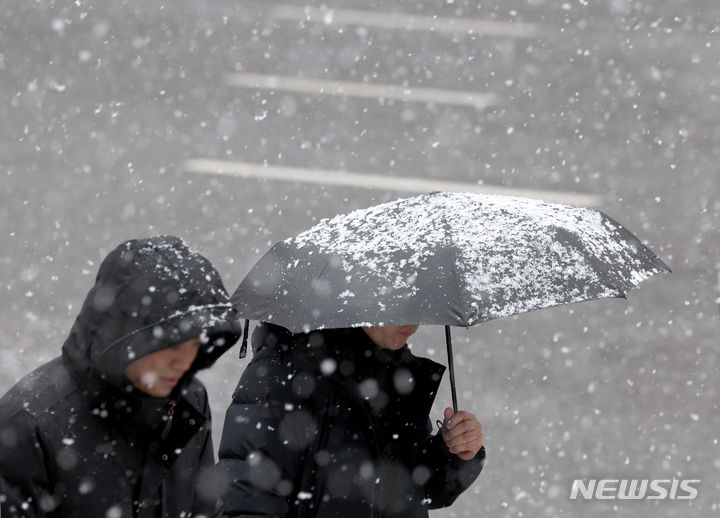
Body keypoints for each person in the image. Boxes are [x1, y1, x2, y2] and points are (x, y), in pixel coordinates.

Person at [0, 236, 243, 517]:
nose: (184, 362)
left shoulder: (188, 399)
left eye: (195, 347)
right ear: (126, 337)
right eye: (173, 345)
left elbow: (204, 509)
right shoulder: (28, 423)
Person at [217, 322, 485, 518]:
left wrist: (454, 453)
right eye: (397, 305)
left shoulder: (396, 376)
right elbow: (248, 495)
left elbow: (420, 490)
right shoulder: (286, 369)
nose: (412, 323)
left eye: (418, 307)